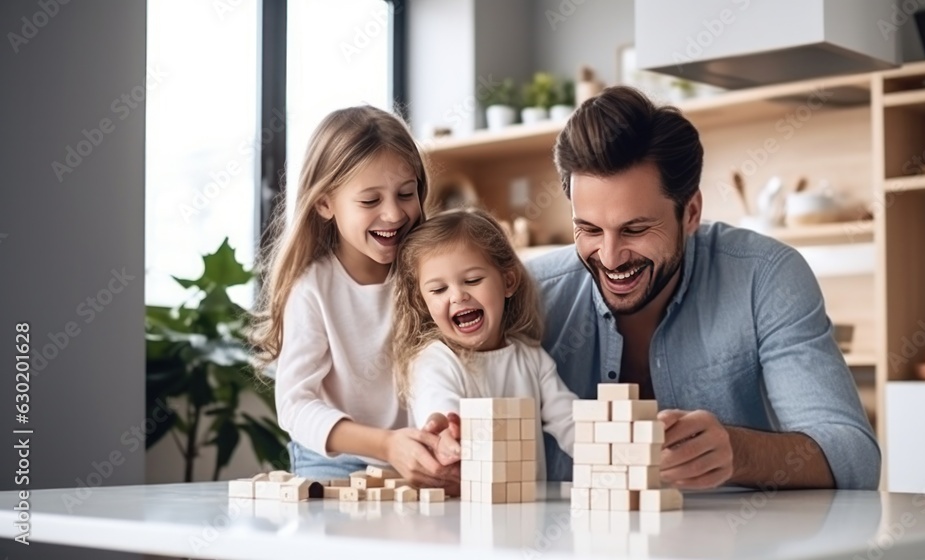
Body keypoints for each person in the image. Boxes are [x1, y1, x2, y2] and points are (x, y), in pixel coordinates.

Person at [525, 86, 880, 490]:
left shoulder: (764, 278)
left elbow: (856, 459)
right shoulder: (531, 296)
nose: (609, 256)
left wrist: (737, 452)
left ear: (691, 212)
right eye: (588, 229)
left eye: (635, 229)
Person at [248, 105, 457, 486]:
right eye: (370, 201)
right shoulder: (313, 289)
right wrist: (387, 444)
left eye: (406, 193)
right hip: (334, 460)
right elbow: (295, 405)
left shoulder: (431, 273)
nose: (394, 214)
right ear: (325, 203)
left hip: (415, 456)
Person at [390, 207, 576, 479]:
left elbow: (570, 423)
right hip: (463, 515)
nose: (457, 296)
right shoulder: (435, 360)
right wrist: (447, 435)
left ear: (508, 281)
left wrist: (624, 447)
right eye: (439, 289)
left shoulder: (531, 358)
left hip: (529, 514)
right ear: (422, 302)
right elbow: (441, 410)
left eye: (472, 280)